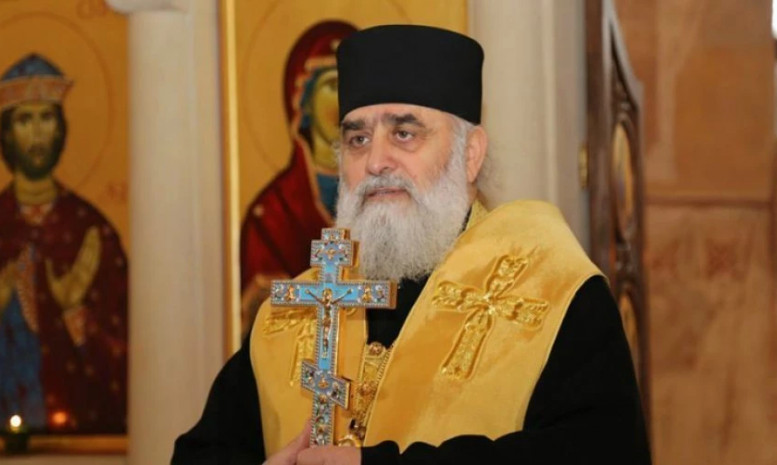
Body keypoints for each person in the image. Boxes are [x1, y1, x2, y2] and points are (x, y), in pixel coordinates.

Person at [173, 25, 650, 464]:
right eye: (357, 139)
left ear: (470, 154)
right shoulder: (300, 311)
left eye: (404, 134)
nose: (376, 161)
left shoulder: (552, 292)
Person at [0, 54, 128, 434]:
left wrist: (76, 315)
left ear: (61, 129)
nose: (36, 133)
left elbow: (133, 368)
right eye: (23, 120)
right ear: (5, 133)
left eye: (46, 118)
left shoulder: (91, 231)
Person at [240, 21, 357, 336]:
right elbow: (260, 324)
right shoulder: (272, 215)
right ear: (303, 100)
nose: (347, 98)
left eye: (355, 84)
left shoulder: (387, 197)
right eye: (333, 85)